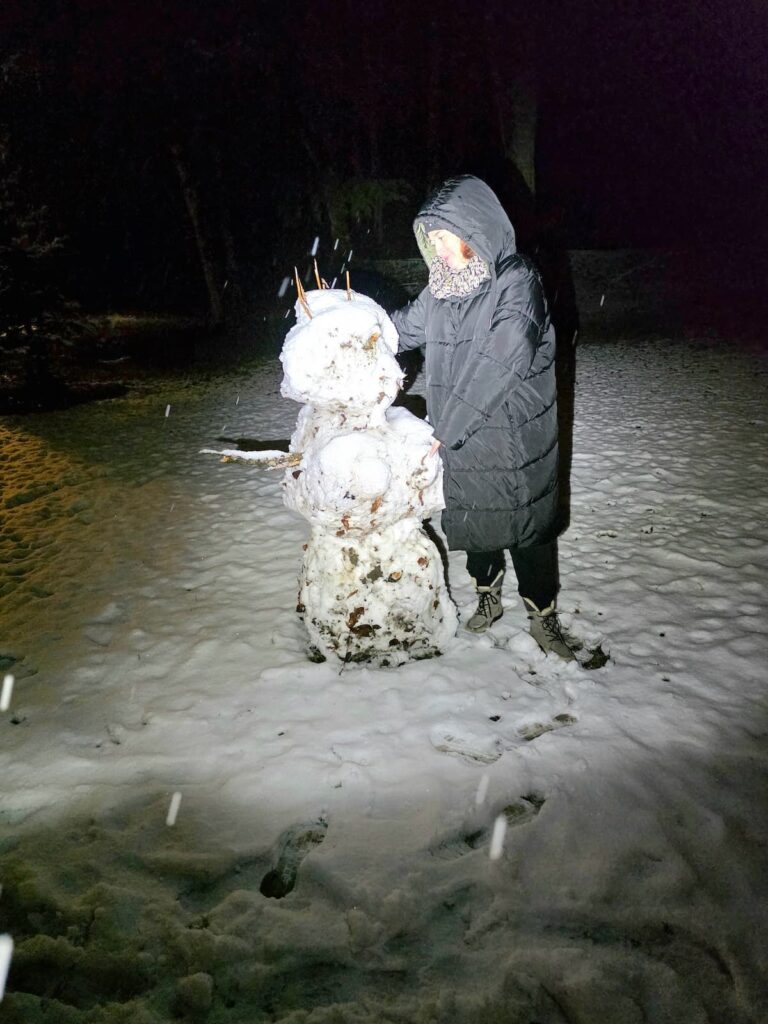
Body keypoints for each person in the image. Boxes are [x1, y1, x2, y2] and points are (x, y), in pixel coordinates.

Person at [391, 175, 581, 661]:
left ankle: (543, 616)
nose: (437, 249)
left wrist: (443, 432)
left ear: (473, 230)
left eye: (443, 236)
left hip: (512, 434)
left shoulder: (517, 280)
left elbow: (502, 361)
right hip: (460, 438)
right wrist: (350, 326)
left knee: (525, 529)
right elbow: (399, 329)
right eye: (429, 239)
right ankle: (488, 597)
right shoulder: (440, 290)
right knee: (476, 520)